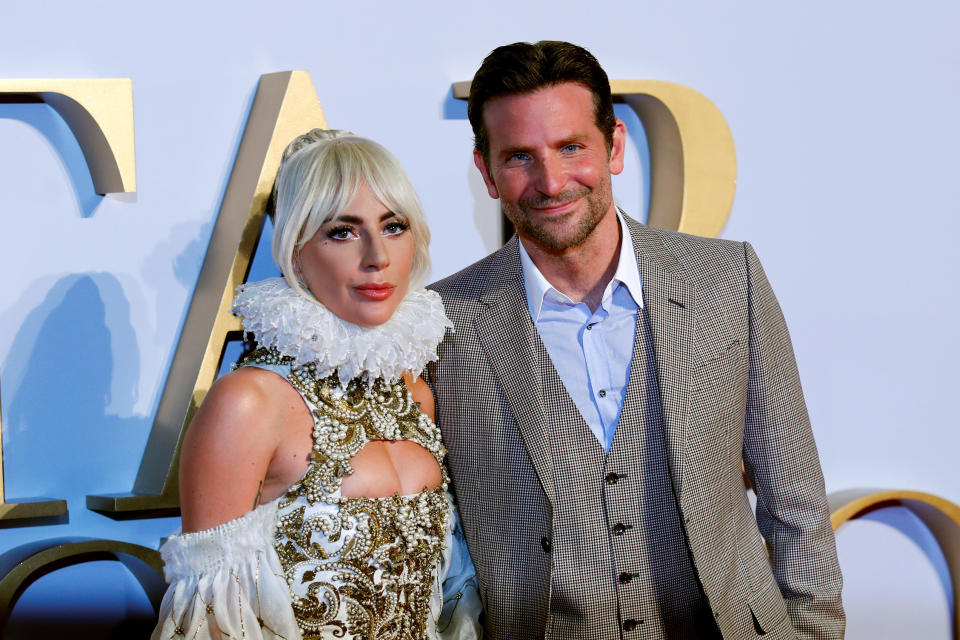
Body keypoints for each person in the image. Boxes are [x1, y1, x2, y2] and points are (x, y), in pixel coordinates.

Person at [427, 41, 844, 639]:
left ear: (615, 145)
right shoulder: (441, 323)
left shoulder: (728, 280)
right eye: (520, 157)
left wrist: (814, 631)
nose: (551, 181)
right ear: (487, 172)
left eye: (572, 147)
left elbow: (794, 496)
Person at [152, 129, 482, 640]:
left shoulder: (415, 391)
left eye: (393, 226)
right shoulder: (248, 403)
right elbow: (212, 622)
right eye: (342, 232)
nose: (377, 256)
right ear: (296, 251)